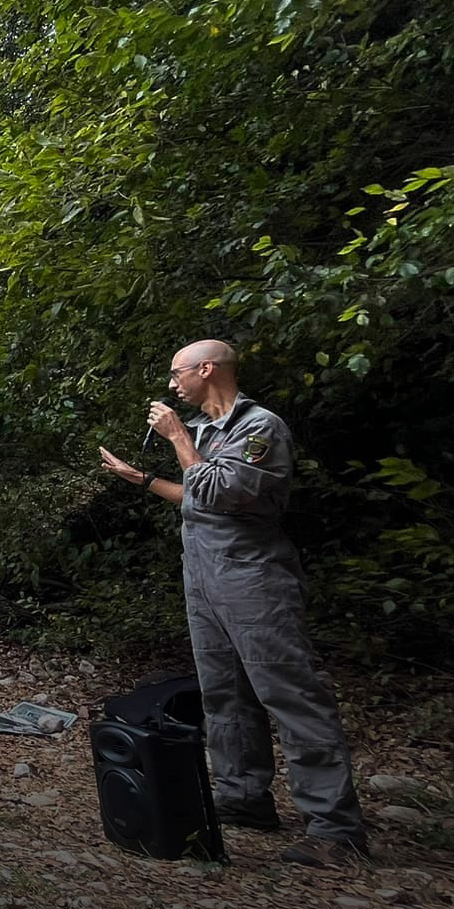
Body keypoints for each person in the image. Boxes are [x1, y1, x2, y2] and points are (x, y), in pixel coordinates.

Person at [99, 338, 369, 869]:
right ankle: (244, 798)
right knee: (224, 694)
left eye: (177, 374)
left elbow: (224, 490)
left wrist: (176, 435)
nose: (172, 386)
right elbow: (196, 493)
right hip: (203, 576)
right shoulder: (204, 431)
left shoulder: (259, 427)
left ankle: (336, 829)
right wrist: (142, 478)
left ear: (206, 369)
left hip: (253, 579)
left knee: (291, 695)